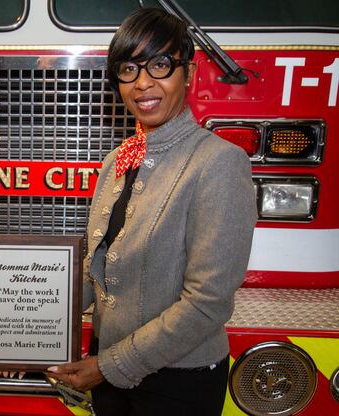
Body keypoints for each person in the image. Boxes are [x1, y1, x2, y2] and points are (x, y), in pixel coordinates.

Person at [47, 8, 257, 416]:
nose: (143, 83)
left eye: (160, 65)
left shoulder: (219, 162)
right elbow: (98, 268)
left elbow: (207, 303)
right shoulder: (117, 161)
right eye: (128, 69)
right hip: (108, 373)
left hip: (179, 382)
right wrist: (23, 317)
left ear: (189, 74)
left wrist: (107, 367)